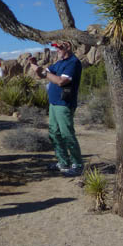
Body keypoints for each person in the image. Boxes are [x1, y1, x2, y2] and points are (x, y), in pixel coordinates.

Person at [28, 41, 84, 177]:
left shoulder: (73, 63)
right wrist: (35, 66)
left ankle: (78, 165)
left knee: (67, 134)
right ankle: (63, 162)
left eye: (59, 47)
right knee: (54, 133)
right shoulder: (59, 63)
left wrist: (43, 72)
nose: (57, 50)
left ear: (68, 47)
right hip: (53, 103)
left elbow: (61, 81)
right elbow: (42, 75)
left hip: (64, 104)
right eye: (56, 48)